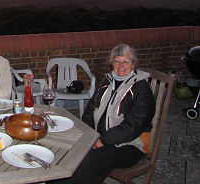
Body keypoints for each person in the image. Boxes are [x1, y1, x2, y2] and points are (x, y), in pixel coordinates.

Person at [49, 44, 156, 184]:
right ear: (111, 63)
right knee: (67, 148)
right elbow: (90, 111)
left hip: (129, 145)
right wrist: (88, 135)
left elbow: (132, 128)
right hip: (100, 138)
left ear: (134, 63)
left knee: (91, 160)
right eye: (117, 61)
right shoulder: (107, 82)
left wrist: (103, 140)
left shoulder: (141, 89)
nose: (121, 66)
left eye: (126, 61)